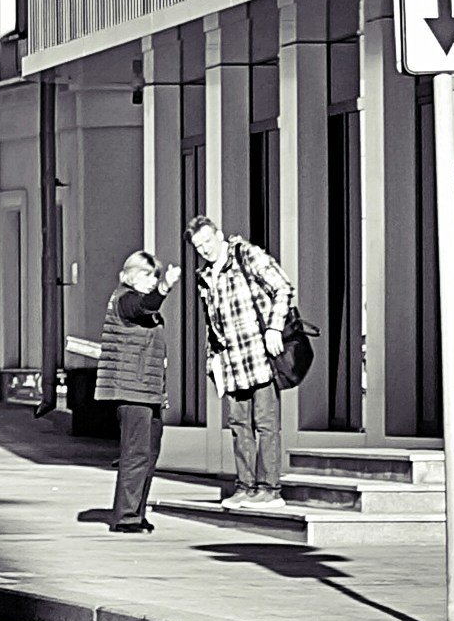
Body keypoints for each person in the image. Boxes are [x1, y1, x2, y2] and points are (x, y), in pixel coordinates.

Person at [188, 214, 303, 501]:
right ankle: (245, 487)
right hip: (231, 364)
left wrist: (275, 327)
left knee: (266, 424)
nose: (204, 249)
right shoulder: (205, 277)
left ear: (219, 235)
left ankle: (269, 489)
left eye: (206, 241)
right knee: (239, 427)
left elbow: (283, 287)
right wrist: (212, 360)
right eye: (198, 245)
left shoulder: (246, 255)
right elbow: (212, 324)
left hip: (259, 359)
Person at [94, 251, 178, 532]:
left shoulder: (136, 301)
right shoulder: (125, 298)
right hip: (133, 391)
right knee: (136, 453)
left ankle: (136, 513)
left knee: (149, 452)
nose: (152, 280)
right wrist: (165, 288)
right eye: (147, 274)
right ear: (127, 274)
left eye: (155, 275)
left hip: (148, 390)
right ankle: (126, 517)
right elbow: (144, 307)